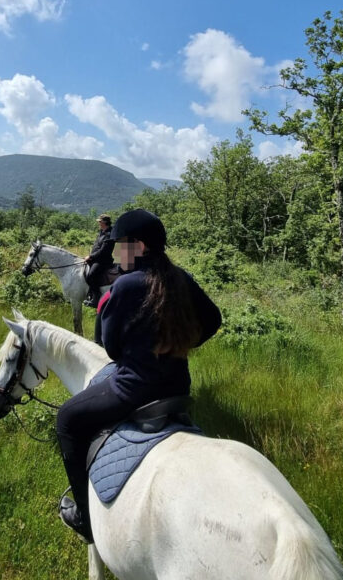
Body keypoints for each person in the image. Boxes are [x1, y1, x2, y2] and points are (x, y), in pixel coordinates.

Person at [55, 209, 222, 543]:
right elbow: (213, 319)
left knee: (67, 420)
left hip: (134, 389)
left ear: (140, 246)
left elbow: (112, 350)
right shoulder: (181, 277)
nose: (117, 252)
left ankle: (86, 518)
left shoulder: (126, 286)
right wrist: (178, 345)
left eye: (122, 245)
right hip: (178, 385)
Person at [83, 214, 115, 308]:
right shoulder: (102, 232)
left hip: (103, 261)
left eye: (100, 222)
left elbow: (103, 251)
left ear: (104, 222)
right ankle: (90, 295)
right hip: (96, 259)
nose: (99, 223)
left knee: (91, 275)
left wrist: (90, 256)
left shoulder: (109, 235)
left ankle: (97, 299)